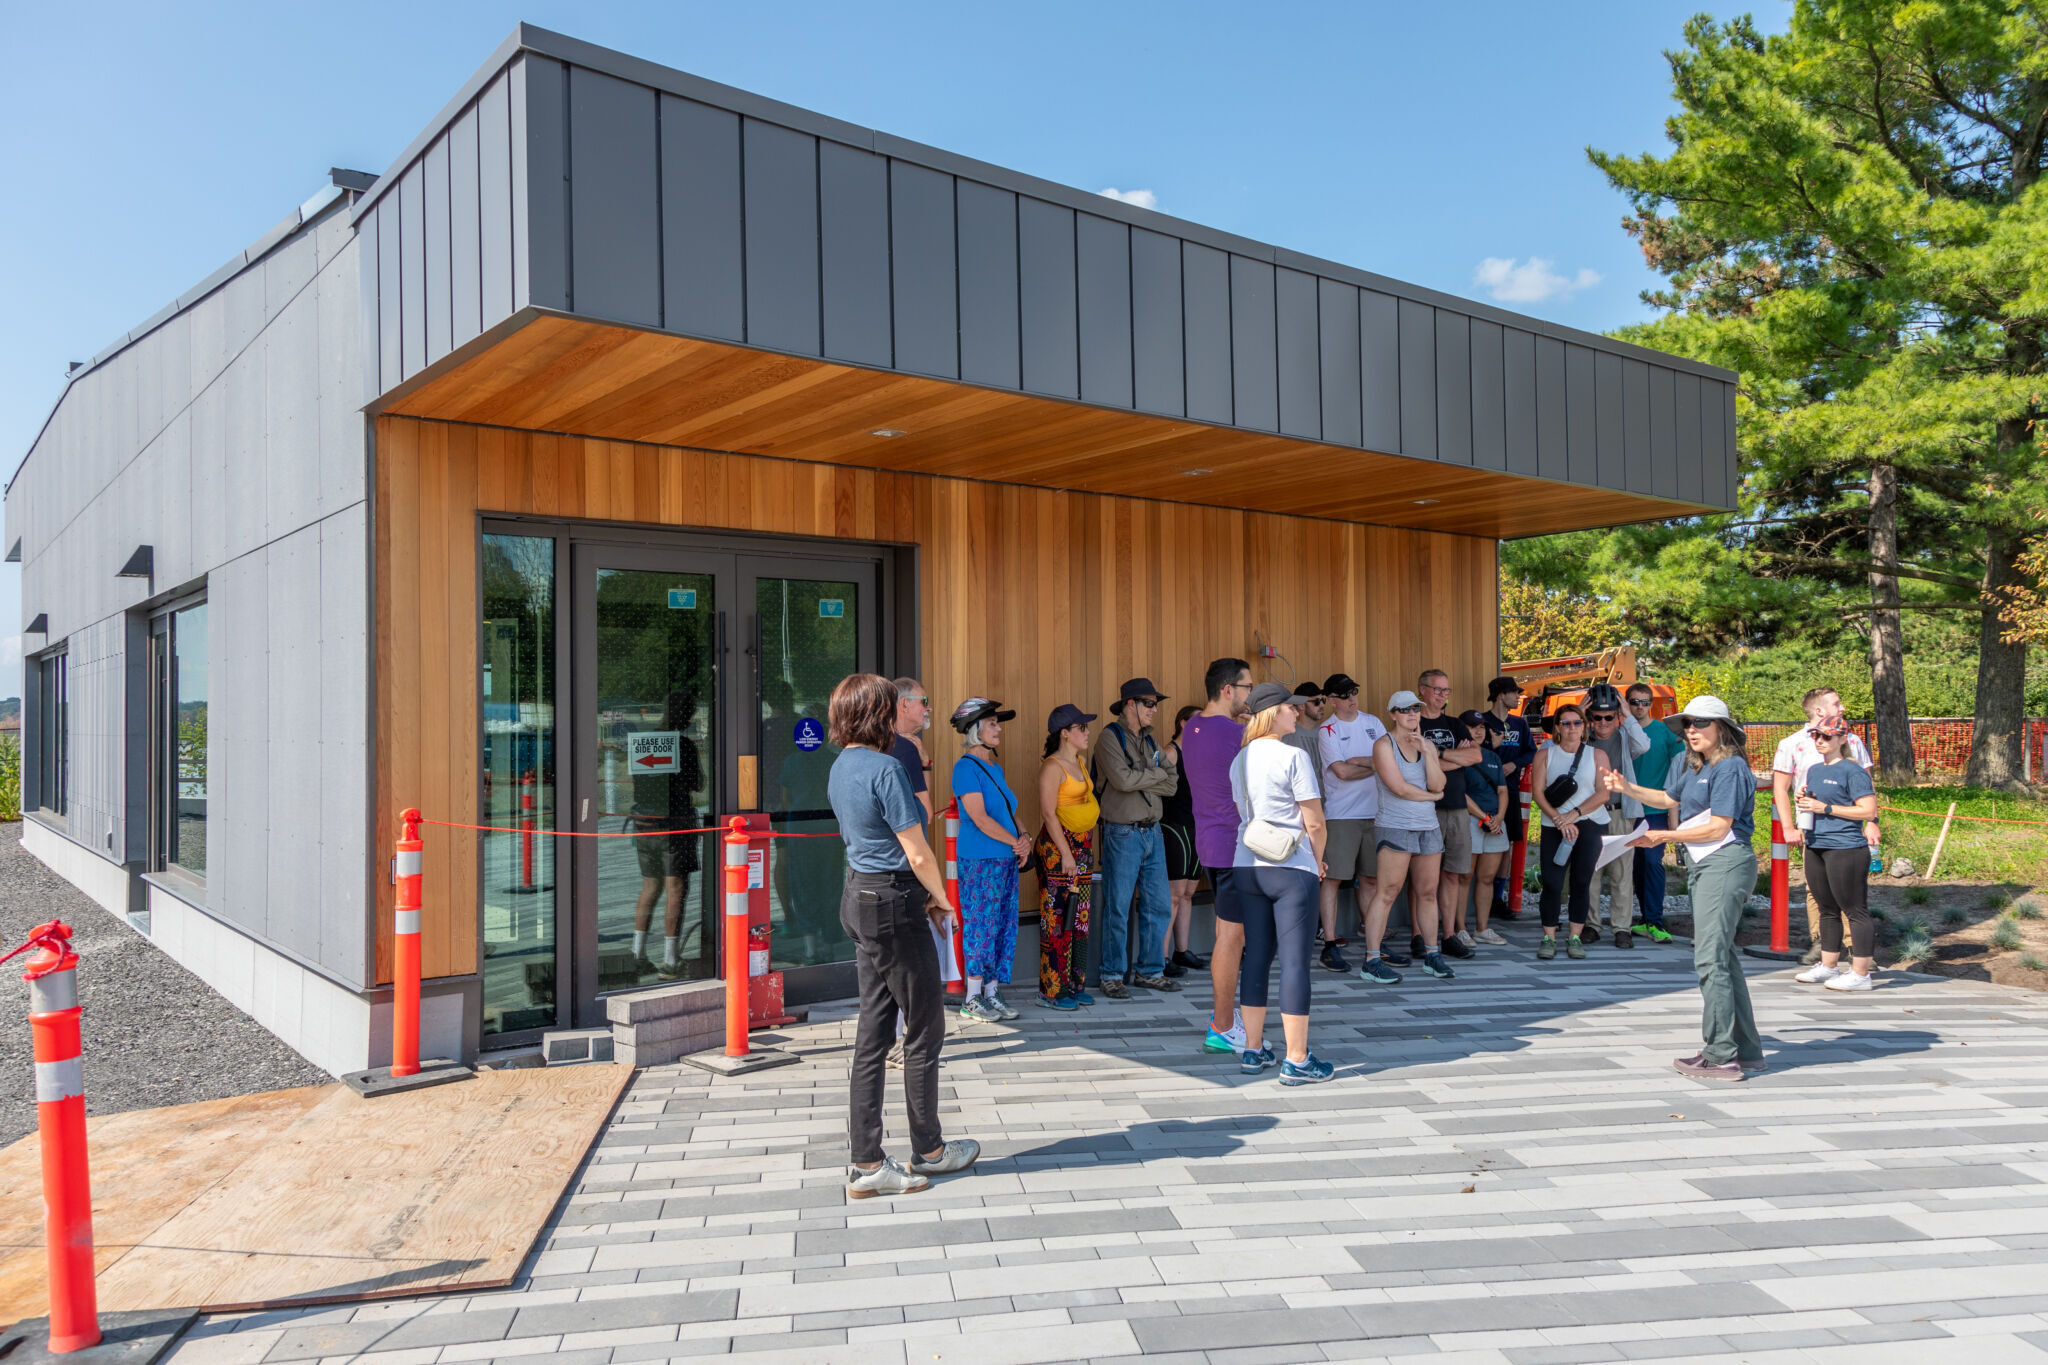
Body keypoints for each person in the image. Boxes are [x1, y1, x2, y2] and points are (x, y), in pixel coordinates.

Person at [825, 674, 979, 1197]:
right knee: (926, 1027)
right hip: (894, 901)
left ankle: (867, 1163)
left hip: (859, 895)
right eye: (891, 708)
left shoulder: (841, 765)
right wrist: (942, 899)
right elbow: (917, 850)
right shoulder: (887, 767)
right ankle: (929, 1150)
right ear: (878, 715)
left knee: (873, 1033)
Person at [1603, 695, 1766, 1081]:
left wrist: (1664, 836)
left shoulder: (1730, 767)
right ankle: (1746, 1051)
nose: (1692, 730)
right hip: (1708, 864)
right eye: (1688, 724)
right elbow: (1666, 798)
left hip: (1724, 863)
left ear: (1723, 729)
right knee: (1723, 957)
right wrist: (1627, 787)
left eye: (1701, 723)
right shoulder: (1698, 766)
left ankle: (1721, 1055)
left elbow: (1719, 827)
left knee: (1710, 959)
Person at [1228, 682, 1334, 1084]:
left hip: (1246, 863)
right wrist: (1318, 860)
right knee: (1294, 963)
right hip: (1291, 866)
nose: (1297, 711)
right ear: (1274, 713)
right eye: (1291, 707)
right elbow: (1315, 821)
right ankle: (1297, 1058)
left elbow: (1243, 811)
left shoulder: (1240, 759)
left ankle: (1253, 1050)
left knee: (1256, 956)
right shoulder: (1294, 756)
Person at [1772, 687, 1879, 964]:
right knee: (1817, 890)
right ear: (1819, 710)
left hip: (1846, 831)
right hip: (1811, 828)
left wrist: (1872, 822)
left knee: (1849, 892)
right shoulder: (1792, 744)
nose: (1842, 708)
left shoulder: (1851, 740)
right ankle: (1823, 945)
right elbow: (1781, 788)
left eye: (1825, 737)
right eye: (1836, 703)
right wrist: (1788, 827)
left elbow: (1867, 787)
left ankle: (1857, 950)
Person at [1092, 678, 1183, 998]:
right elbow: (1121, 780)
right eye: (1149, 703)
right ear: (1130, 704)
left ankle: (1150, 971)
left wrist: (1142, 777)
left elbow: (1172, 784)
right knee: (1118, 906)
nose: (1155, 709)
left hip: (1152, 831)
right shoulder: (1109, 737)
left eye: (1155, 704)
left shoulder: (1150, 739)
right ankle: (1112, 974)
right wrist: (1154, 775)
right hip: (1122, 832)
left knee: (1158, 906)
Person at [1184, 659, 1253, 1054]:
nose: (1250, 695)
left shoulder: (1192, 726)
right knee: (1231, 937)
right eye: (1247, 687)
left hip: (1211, 842)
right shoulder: (1237, 733)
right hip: (1234, 845)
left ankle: (1227, 1020)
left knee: (1230, 934)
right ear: (1228, 690)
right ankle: (1223, 1025)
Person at [1358, 690, 1449, 984]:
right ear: (1393, 714)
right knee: (1387, 892)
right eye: (1405, 709)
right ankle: (1372, 960)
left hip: (1428, 827)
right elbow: (1398, 788)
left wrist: (1429, 753)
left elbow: (1439, 783)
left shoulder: (1427, 744)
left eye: (1415, 708)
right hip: (1396, 825)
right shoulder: (1383, 745)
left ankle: (1432, 955)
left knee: (1428, 892)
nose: (1412, 713)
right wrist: (1433, 797)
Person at [949, 698, 1029, 1023]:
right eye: (992, 724)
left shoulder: (996, 768)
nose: (999, 729)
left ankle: (992, 991)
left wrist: (1024, 837)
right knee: (981, 925)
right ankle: (972, 996)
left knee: (1003, 925)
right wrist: (1016, 843)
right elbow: (980, 818)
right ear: (975, 730)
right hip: (980, 860)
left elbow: (1008, 810)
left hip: (1005, 858)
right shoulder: (965, 768)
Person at [1791, 715, 1881, 991]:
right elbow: (1818, 803)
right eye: (1816, 735)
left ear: (1842, 739)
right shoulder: (1815, 770)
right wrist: (1806, 800)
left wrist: (1826, 808)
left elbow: (1868, 810)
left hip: (1845, 847)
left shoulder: (1853, 771)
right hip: (1816, 844)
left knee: (1854, 910)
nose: (1819, 740)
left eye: (1826, 736)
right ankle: (1828, 966)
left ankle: (1861, 973)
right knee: (1826, 908)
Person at [1529, 702, 1614, 960]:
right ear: (1557, 728)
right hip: (1554, 824)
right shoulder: (1545, 755)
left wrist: (1574, 815)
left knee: (1581, 880)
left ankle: (1575, 936)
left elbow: (1603, 793)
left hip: (1590, 822)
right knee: (1552, 882)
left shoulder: (1597, 755)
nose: (1572, 728)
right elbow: (1537, 793)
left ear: (1584, 726)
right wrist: (1559, 820)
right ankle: (1549, 936)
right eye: (1566, 723)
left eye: (1577, 722)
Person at [631, 690, 705, 979]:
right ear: (685, 714)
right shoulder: (683, 745)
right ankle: (670, 960)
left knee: (650, 887)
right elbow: (698, 784)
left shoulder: (643, 741)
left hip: (644, 823)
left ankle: (637, 954)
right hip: (675, 824)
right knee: (676, 888)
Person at [1316, 672, 1386, 973]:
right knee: (1333, 879)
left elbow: (1390, 759)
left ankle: (1374, 944)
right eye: (1344, 694)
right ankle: (1330, 943)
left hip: (1376, 812)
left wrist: (1360, 761)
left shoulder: (1373, 723)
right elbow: (1342, 772)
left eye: (1354, 691)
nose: (1352, 698)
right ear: (1332, 700)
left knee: (1371, 879)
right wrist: (1375, 764)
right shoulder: (1327, 730)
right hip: (1342, 814)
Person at [1035, 704, 1100, 1010]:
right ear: (1064, 733)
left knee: (1080, 916)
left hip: (1082, 847)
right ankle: (1052, 989)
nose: (1087, 733)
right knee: (1056, 918)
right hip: (1058, 849)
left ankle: (1075, 983)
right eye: (1081, 728)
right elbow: (1049, 813)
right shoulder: (1052, 767)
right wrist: (1065, 853)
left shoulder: (1080, 761)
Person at [1415, 670, 1479, 960]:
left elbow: (1475, 756)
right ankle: (1418, 935)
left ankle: (1449, 934)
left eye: (1446, 690)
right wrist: (1455, 756)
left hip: (1456, 808)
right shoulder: (1414, 722)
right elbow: (1415, 763)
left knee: (1452, 873)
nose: (1442, 695)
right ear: (1422, 690)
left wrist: (1436, 754)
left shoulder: (1455, 724)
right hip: (1426, 808)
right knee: (1422, 878)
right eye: (1437, 689)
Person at [1583, 684, 1649, 948]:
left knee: (1621, 874)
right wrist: (1579, 715)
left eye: (1609, 717)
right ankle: (1591, 925)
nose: (1602, 723)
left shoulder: (1625, 736)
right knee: (1591, 872)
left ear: (1617, 716)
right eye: (1597, 717)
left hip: (1621, 812)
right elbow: (1560, 741)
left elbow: (1643, 745)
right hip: (1590, 813)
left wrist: (1627, 715)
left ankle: (1622, 928)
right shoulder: (1583, 737)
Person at [1627, 682, 1685, 944]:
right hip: (1627, 808)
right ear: (1627, 704)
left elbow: (1677, 774)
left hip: (1655, 809)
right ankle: (1644, 918)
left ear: (1651, 704)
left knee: (1652, 862)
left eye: (1645, 702)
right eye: (1634, 702)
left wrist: (1674, 815)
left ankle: (1656, 920)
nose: (1640, 707)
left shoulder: (1665, 732)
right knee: (1634, 865)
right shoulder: (1621, 730)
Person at [1480, 677, 1538, 922]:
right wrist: (1493, 752)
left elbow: (1531, 751)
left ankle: (1497, 898)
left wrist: (1514, 764)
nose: (1518, 697)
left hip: (1511, 791)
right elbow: (1473, 753)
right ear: (1501, 695)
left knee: (1507, 844)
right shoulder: (1482, 721)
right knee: (1483, 840)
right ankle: (1480, 893)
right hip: (1484, 792)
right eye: (1515, 692)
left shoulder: (1519, 723)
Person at [1459, 710, 1511, 947]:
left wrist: (1499, 817)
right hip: (1470, 820)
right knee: (1464, 877)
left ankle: (1482, 928)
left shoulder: (1492, 756)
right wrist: (1484, 817)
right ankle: (1459, 929)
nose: (1478, 731)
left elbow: (1503, 790)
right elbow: (1460, 793)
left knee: (1487, 877)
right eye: (1472, 727)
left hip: (1495, 822)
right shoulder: (1456, 756)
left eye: (1482, 727)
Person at [1161, 705, 1206, 978]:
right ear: (1182, 723)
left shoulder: (1200, 752)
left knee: (1189, 893)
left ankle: (1182, 950)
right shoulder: (1170, 752)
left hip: (1196, 826)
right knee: (1174, 895)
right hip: (1174, 826)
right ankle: (1162, 957)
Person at [890, 678, 935, 820]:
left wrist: (925, 764)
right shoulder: (906, 748)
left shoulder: (878, 741)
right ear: (904, 704)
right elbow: (925, 814)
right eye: (924, 702)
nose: (929, 708)